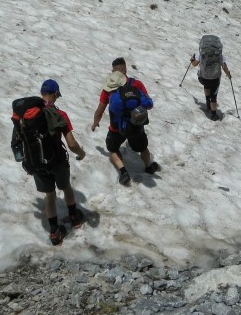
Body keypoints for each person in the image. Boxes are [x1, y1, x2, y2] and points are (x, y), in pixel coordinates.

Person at [91, 57, 160, 185]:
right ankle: (148, 166)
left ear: (115, 70)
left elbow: (100, 110)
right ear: (125, 69)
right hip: (136, 126)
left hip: (116, 128)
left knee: (113, 149)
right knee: (143, 148)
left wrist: (95, 122)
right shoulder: (136, 85)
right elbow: (147, 103)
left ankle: (123, 171)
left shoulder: (108, 88)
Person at [34, 79, 86, 246]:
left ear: (42, 93)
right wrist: (81, 153)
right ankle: (74, 218)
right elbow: (71, 144)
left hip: (37, 163)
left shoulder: (30, 113)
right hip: (57, 161)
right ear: (55, 94)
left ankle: (54, 232)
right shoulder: (60, 115)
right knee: (66, 187)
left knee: (50, 195)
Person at [190, 35, 232, 121]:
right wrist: (228, 74)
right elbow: (224, 66)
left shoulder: (200, 52)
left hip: (203, 78)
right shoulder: (219, 54)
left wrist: (192, 60)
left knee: (207, 85)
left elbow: (194, 64)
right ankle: (213, 115)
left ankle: (207, 101)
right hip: (215, 78)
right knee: (214, 95)